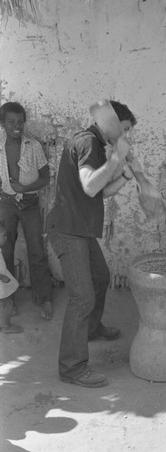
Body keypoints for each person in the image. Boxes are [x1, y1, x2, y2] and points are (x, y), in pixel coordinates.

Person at [47, 99, 137, 388]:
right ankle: (72, 367)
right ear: (110, 123)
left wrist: (123, 175)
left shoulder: (97, 145)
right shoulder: (88, 142)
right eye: (123, 129)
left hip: (80, 229)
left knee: (101, 277)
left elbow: (98, 192)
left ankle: (91, 328)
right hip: (68, 229)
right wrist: (115, 159)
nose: (125, 136)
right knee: (82, 297)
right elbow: (90, 185)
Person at [0, 102, 53, 320]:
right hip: (6, 203)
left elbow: (45, 177)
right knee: (5, 251)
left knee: (36, 251)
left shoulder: (34, 146)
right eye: (11, 122)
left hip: (30, 203)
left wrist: (25, 188)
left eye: (20, 122)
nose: (16, 126)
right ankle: (7, 299)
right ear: (2, 123)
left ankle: (43, 297)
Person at [0, 220, 23, 333]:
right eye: (4, 235)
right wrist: (1, 277)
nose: (6, 238)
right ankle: (6, 326)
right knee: (6, 303)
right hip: (1, 282)